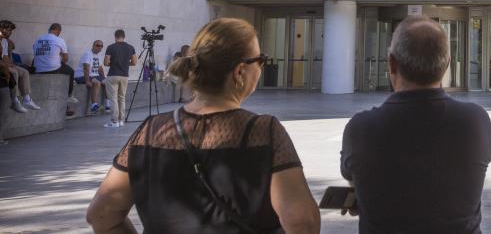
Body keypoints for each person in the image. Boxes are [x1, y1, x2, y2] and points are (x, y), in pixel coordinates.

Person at [86, 18, 320, 234]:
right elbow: (301, 222)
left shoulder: (151, 131)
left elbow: (101, 214)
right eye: (260, 60)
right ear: (240, 71)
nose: (261, 67)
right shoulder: (264, 132)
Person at [340, 16, 491, 233]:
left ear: (392, 63)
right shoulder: (476, 121)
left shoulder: (360, 129)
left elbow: (351, 175)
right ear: (447, 64)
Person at [33, 23, 78, 114]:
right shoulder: (59, 40)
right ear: (58, 30)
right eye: (59, 32)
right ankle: (69, 95)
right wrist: (59, 56)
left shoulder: (38, 39)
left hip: (38, 69)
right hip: (53, 69)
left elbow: (36, 54)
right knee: (71, 71)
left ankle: (66, 106)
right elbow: (65, 59)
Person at [1, 20, 40, 112]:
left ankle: (27, 99)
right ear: (2, 29)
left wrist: (11, 65)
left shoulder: (4, 41)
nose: (10, 33)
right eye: (9, 30)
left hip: (3, 65)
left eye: (11, 31)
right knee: (13, 72)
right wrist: (9, 67)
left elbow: (5, 57)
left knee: (24, 72)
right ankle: (15, 101)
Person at [103, 30, 138, 128]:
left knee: (113, 99)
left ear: (115, 36)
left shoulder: (111, 47)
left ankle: (114, 121)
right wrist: (125, 63)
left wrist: (113, 63)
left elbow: (106, 62)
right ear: (124, 36)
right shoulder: (130, 47)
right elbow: (135, 62)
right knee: (122, 98)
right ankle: (121, 120)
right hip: (124, 76)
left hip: (113, 74)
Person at [76, 40, 107, 114]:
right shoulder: (88, 54)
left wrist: (104, 78)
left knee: (108, 82)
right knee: (97, 83)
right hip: (81, 75)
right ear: (93, 46)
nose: (99, 47)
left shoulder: (99, 55)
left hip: (94, 75)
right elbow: (86, 68)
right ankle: (94, 106)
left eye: (101, 46)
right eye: (97, 45)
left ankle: (107, 105)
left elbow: (100, 68)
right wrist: (87, 81)